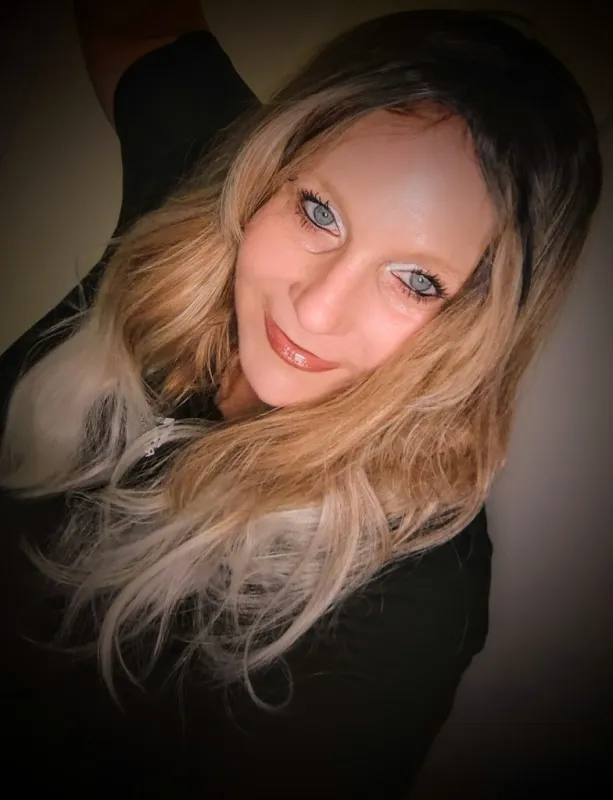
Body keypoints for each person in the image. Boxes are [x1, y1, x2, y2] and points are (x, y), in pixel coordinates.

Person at [0, 3, 602, 797]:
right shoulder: (204, 188)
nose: (314, 311)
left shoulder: (399, 607)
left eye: (416, 280)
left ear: (477, 325)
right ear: (267, 169)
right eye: (319, 212)